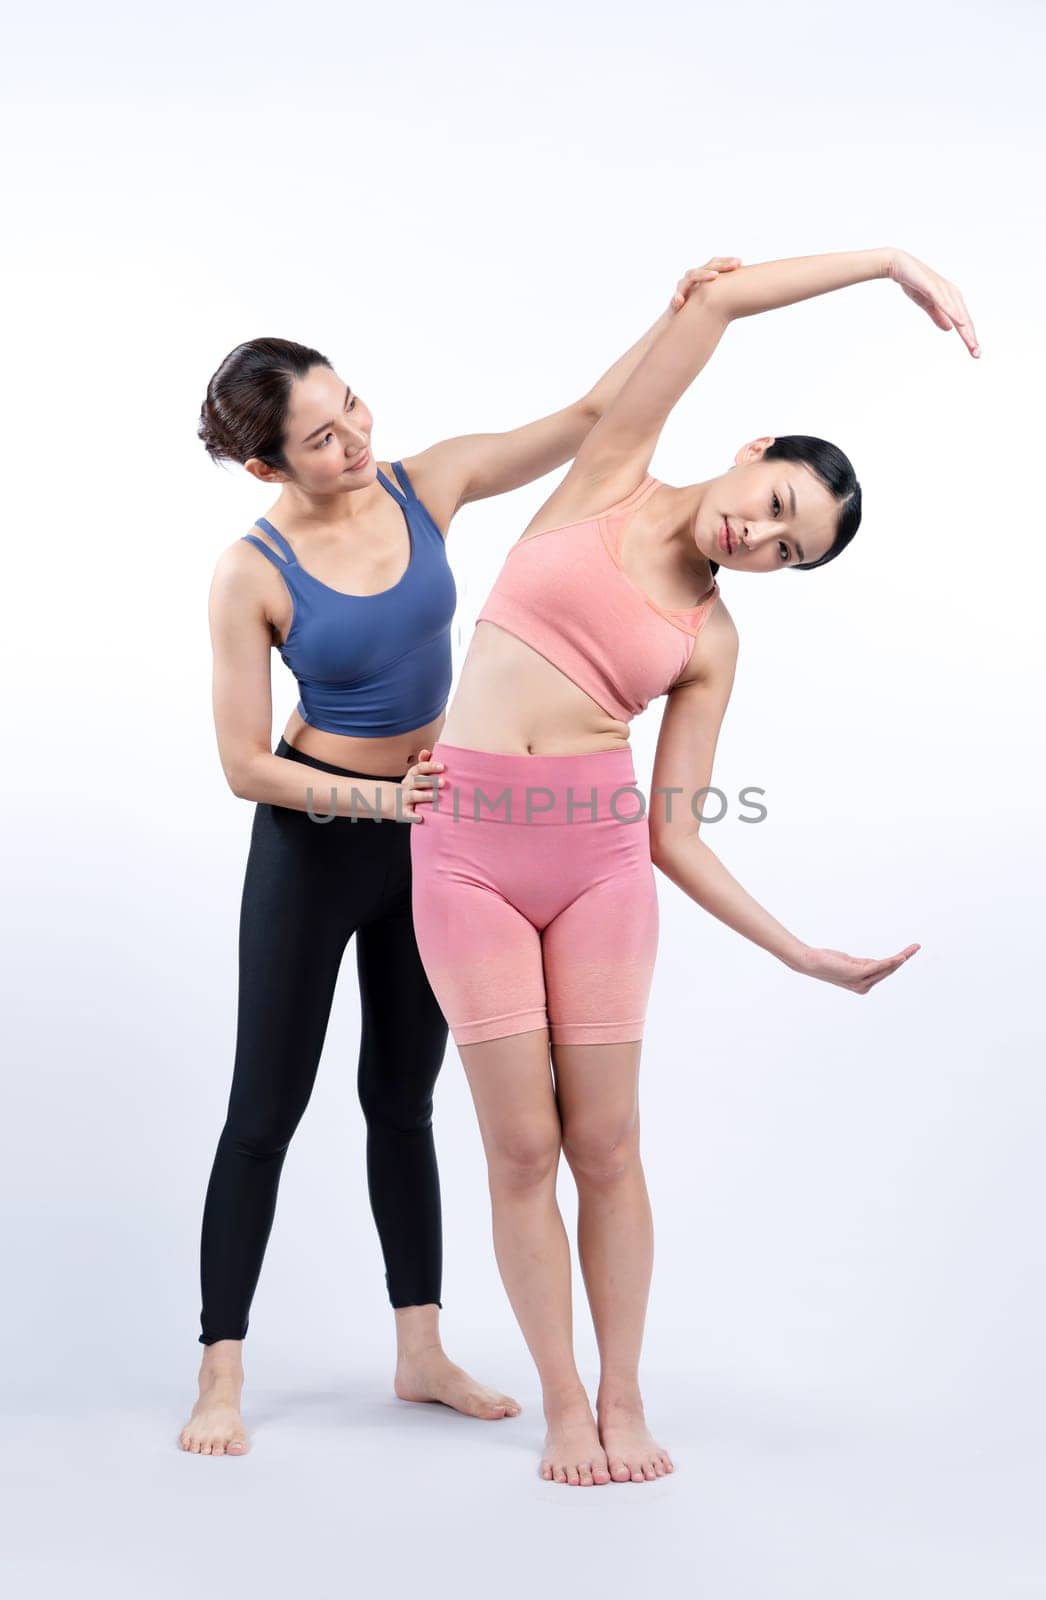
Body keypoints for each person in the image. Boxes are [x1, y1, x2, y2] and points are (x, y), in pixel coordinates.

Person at [407, 245, 980, 1487]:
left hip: (602, 866)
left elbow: (675, 831)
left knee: (605, 1145)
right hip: (465, 857)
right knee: (521, 1149)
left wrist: (803, 955)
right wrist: (887, 262)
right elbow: (713, 302)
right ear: (755, 449)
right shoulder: (610, 474)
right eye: (776, 502)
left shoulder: (707, 640)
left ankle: (623, 1391)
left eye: (789, 551)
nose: (761, 535)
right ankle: (562, 1403)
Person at [179, 255, 744, 1456]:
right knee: (264, 1104)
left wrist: (674, 312)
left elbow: (593, 419)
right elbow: (244, 765)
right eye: (322, 439)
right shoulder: (249, 572)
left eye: (353, 410)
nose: (354, 440)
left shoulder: (424, 485)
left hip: (444, 838)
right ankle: (220, 1367)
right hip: (317, 839)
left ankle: (419, 1345)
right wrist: (377, 806)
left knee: (403, 1098)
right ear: (266, 463)